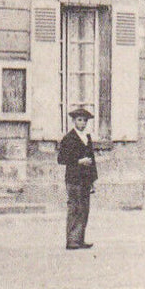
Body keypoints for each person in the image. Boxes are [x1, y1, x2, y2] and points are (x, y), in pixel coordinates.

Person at [57, 107, 98, 250]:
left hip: (86, 179)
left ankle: (80, 239)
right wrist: (78, 161)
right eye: (80, 120)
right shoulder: (69, 138)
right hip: (74, 179)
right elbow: (61, 158)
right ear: (74, 121)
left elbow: (92, 160)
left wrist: (93, 180)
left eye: (85, 120)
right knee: (74, 208)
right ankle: (71, 240)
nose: (83, 123)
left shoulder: (87, 138)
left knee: (84, 209)